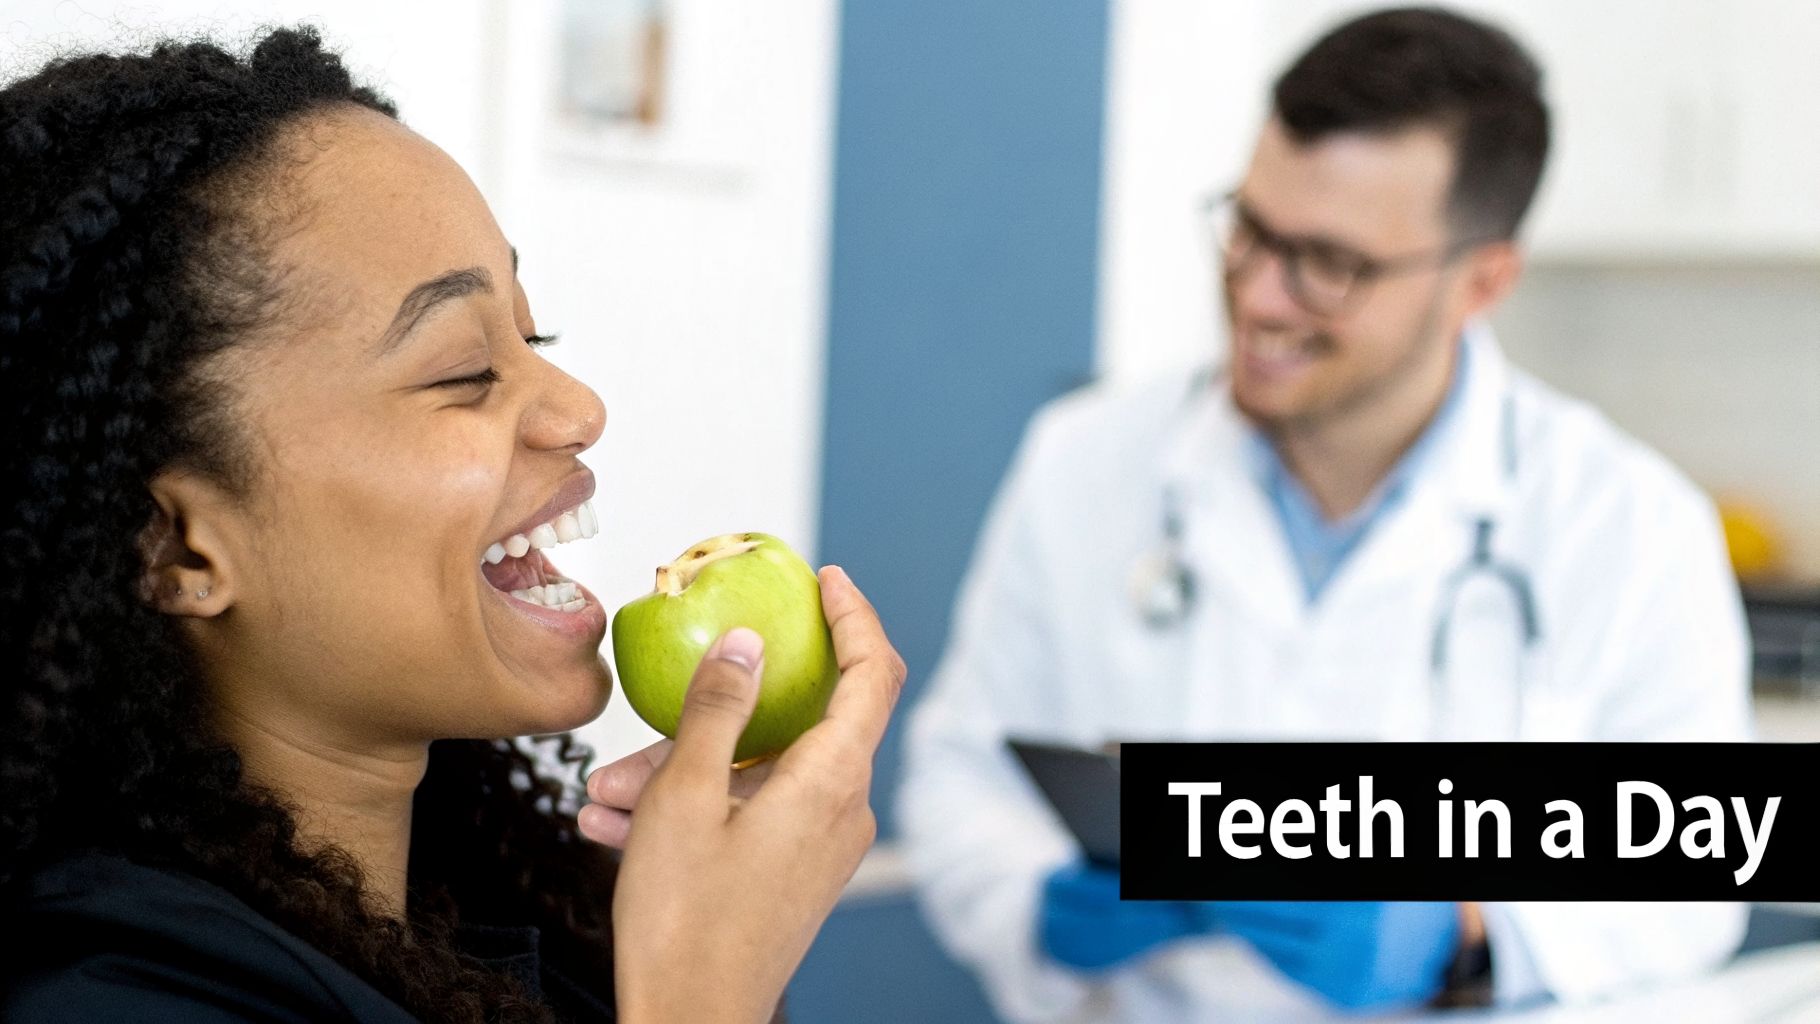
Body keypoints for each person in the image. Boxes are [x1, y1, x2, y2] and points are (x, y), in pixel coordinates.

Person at [0, 28, 904, 1023]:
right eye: (464, 372)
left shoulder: (506, 920)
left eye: (532, 336)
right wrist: (701, 995)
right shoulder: (102, 999)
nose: (578, 408)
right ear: (177, 546)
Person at [898, 7, 1751, 1021]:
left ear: (1479, 280)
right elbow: (959, 769)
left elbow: (1694, 870)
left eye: (1328, 262)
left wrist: (1466, 933)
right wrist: (1029, 898)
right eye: (1249, 229)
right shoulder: (1084, 461)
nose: (1260, 296)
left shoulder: (1624, 524)